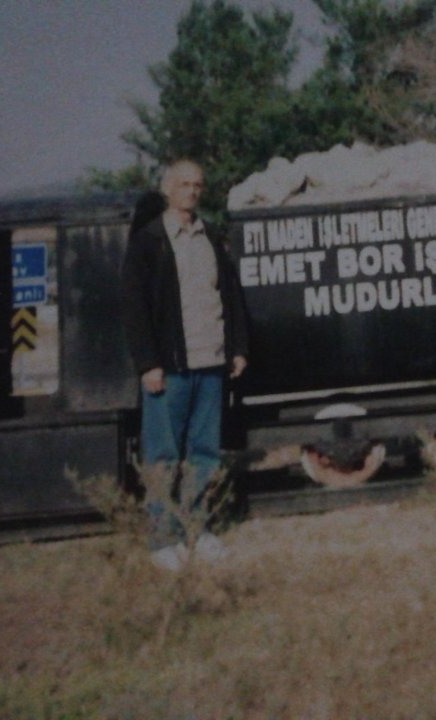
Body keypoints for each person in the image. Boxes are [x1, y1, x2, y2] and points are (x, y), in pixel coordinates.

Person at [121, 160, 249, 570]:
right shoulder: (149, 241)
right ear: (168, 189)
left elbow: (230, 295)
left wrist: (237, 349)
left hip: (210, 364)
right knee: (163, 454)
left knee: (204, 453)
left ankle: (197, 528)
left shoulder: (209, 236)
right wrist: (148, 363)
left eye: (198, 185)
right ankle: (163, 540)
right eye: (184, 184)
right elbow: (134, 309)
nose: (192, 191)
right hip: (169, 369)